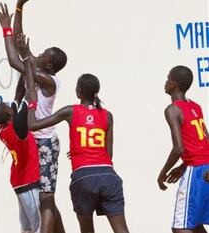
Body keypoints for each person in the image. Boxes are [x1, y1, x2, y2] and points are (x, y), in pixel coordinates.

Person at [16, 34, 130, 233]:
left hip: (83, 176)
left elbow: (33, 125)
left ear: (78, 92)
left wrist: (31, 101)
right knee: (122, 230)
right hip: (109, 175)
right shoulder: (108, 115)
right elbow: (107, 153)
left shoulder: (71, 111)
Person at [0, 3, 67, 233]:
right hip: (32, 141)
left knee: (46, 198)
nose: (39, 54)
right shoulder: (37, 67)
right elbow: (19, 45)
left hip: (45, 142)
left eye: (44, 54)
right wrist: (19, 8)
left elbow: (16, 60)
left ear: (50, 65)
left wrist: (5, 28)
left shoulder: (48, 81)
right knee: (44, 198)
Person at [0, 72, 41, 232]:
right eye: (5, 105)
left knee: (26, 228)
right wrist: (28, 66)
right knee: (38, 226)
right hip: (28, 181)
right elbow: (30, 94)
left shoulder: (5, 126)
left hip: (19, 181)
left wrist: (24, 73)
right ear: (7, 112)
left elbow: (18, 95)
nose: (8, 104)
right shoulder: (18, 126)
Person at [157, 65, 209, 233]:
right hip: (205, 166)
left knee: (180, 227)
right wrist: (182, 166)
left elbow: (179, 148)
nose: (165, 82)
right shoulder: (196, 106)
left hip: (197, 171)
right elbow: (204, 140)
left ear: (173, 84)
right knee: (195, 223)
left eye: (167, 79)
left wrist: (162, 173)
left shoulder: (173, 109)